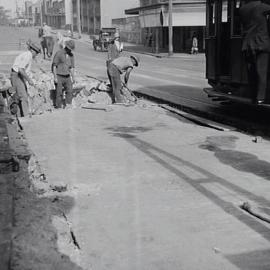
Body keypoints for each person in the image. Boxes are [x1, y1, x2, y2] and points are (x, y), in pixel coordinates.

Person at [239, 0, 270, 104]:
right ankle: (260, 98)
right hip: (261, 43)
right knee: (261, 71)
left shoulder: (243, 9)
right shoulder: (262, 7)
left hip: (247, 44)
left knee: (251, 72)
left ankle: (253, 96)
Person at [10, 40, 41, 117]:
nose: (36, 55)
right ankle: (26, 116)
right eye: (36, 52)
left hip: (19, 75)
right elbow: (21, 69)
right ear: (32, 50)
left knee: (22, 95)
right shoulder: (28, 55)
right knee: (23, 96)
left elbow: (25, 69)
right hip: (17, 75)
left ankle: (20, 115)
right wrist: (29, 80)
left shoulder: (28, 55)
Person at [52, 40, 76, 109]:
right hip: (59, 75)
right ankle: (58, 106)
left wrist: (73, 77)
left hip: (67, 76)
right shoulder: (59, 53)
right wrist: (55, 77)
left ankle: (68, 105)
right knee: (59, 92)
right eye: (69, 49)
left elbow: (71, 67)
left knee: (70, 91)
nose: (70, 51)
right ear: (66, 47)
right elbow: (54, 66)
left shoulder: (71, 55)